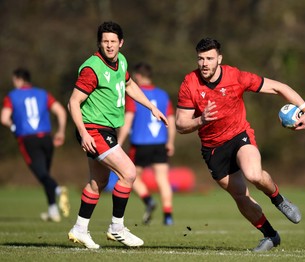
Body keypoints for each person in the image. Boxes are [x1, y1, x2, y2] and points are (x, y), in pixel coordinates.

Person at [175, 38, 305, 252]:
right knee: (240, 195)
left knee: (253, 174)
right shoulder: (190, 83)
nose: (204, 64)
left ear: (219, 59)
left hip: (239, 135)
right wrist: (200, 120)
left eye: (209, 59)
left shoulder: (236, 77)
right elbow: (180, 124)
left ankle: (278, 199)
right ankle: (270, 235)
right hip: (212, 148)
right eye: (201, 59)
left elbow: (279, 87)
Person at [67, 21, 168, 249]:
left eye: (113, 41)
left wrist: (150, 106)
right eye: (105, 41)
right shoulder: (92, 68)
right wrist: (83, 133)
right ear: (99, 43)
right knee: (129, 172)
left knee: (98, 182)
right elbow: (73, 102)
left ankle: (80, 229)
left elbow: (130, 85)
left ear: (121, 43)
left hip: (106, 129)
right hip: (94, 130)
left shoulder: (121, 61)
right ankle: (117, 227)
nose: (109, 46)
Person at [1, 68, 70, 222]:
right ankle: (53, 210)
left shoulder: (12, 96)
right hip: (46, 138)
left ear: (19, 80)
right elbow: (60, 111)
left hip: (28, 139)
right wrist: (61, 131)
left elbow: (4, 118)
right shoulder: (43, 94)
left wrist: (14, 127)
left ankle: (58, 190)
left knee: (42, 175)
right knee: (46, 174)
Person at [118, 62, 175, 226]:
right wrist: (170, 141)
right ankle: (168, 215)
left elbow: (127, 121)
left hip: (140, 143)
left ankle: (148, 200)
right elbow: (170, 120)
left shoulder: (134, 94)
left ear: (138, 76)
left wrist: (119, 143)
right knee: (163, 179)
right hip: (160, 144)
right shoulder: (163, 95)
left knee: (130, 176)